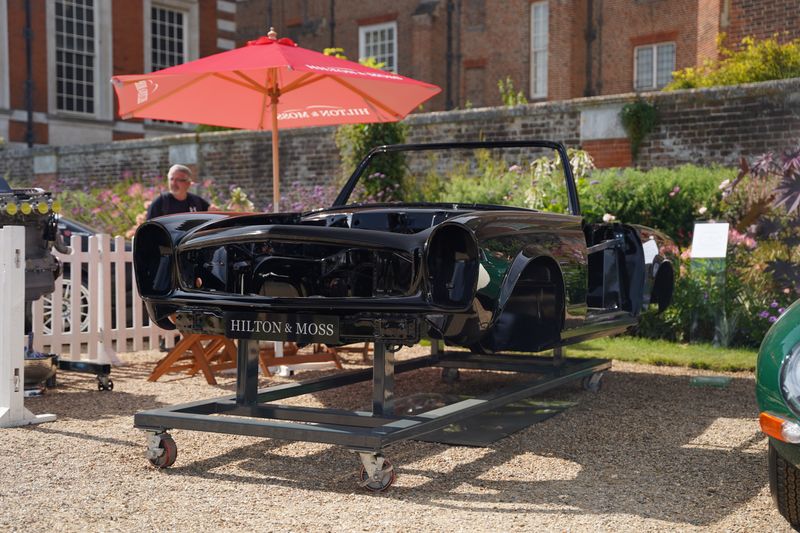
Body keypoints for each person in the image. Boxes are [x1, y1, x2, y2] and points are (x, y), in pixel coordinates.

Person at [146, 164, 210, 220]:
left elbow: (211, 221)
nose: (173, 183)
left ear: (188, 183)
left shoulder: (197, 201)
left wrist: (214, 211)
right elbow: (150, 228)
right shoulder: (161, 202)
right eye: (171, 179)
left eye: (178, 180)